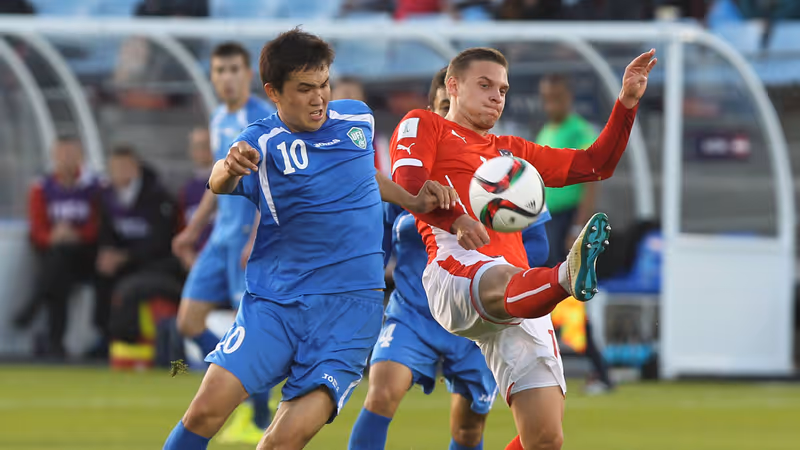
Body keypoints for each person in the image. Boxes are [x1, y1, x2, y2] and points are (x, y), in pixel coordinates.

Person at [162, 28, 456, 450]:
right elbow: (220, 181)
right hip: (277, 304)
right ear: (274, 92)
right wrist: (229, 166)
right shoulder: (260, 142)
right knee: (204, 411)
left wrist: (411, 199)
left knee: (281, 442)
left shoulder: (357, 118)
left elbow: (365, 176)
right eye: (305, 89)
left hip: (351, 312)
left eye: (324, 85)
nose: (319, 98)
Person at [390, 47, 655, 449]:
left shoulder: (510, 151)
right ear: (453, 86)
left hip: (523, 293)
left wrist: (627, 103)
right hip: (456, 269)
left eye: (502, 89)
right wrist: (455, 219)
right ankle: (566, 276)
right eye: (485, 85)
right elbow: (408, 183)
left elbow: (595, 165)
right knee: (502, 275)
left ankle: (559, 278)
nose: (496, 96)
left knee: (545, 438)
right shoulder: (425, 124)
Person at [348, 67, 554, 450]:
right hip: (414, 312)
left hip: (478, 319)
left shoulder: (506, 177)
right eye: (445, 107)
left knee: (468, 430)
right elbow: (380, 240)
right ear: (432, 112)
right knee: (381, 393)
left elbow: (538, 247)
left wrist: (494, 258)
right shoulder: (409, 175)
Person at [170, 42, 276, 444]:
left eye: (234, 69)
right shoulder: (218, 118)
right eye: (220, 70)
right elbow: (219, 182)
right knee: (188, 321)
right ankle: (243, 389)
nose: (227, 77)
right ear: (212, 77)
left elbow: (271, 185)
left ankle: (258, 415)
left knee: (246, 331)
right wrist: (192, 230)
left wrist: (256, 237)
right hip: (220, 239)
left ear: (247, 74)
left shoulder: (260, 119)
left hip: (248, 241)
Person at [536, 73, 614, 394]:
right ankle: (587, 368)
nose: (550, 104)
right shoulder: (547, 131)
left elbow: (591, 182)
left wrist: (577, 228)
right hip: (546, 221)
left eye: (556, 98)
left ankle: (600, 371)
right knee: (551, 295)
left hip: (566, 222)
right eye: (546, 98)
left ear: (568, 98)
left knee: (566, 295)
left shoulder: (580, 131)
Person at [14, 138, 100, 357]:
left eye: (71, 154)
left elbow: (99, 224)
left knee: (58, 264)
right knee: (59, 273)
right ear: (53, 157)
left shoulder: (94, 186)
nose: (66, 160)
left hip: (86, 255)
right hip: (55, 255)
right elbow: (37, 229)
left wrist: (76, 235)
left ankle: (36, 303)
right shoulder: (41, 187)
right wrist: (53, 237)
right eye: (62, 154)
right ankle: (55, 344)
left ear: (80, 157)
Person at [95, 146, 182, 357]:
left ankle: (128, 342)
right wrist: (107, 253)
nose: (119, 173)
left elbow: (161, 242)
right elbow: (106, 232)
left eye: (124, 167)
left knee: (129, 289)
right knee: (101, 275)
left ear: (136, 168)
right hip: (126, 263)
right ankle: (103, 336)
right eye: (115, 168)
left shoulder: (159, 198)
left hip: (159, 266)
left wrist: (126, 257)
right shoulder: (106, 197)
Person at [176, 127, 214, 270]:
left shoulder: (232, 184)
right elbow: (182, 229)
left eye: (206, 145)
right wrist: (188, 256)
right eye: (197, 146)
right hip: (197, 262)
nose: (202, 151)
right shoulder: (187, 190)